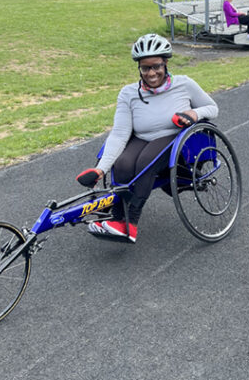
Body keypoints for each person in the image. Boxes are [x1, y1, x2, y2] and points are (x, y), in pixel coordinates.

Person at [76, 34, 218, 242]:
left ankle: (131, 223)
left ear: (166, 63)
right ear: (139, 68)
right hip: (141, 137)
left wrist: (194, 114)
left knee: (145, 162)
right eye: (145, 68)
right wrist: (101, 169)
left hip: (173, 136)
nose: (151, 73)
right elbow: (119, 133)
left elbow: (213, 108)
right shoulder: (128, 93)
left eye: (156, 66)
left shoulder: (184, 84)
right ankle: (117, 220)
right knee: (123, 164)